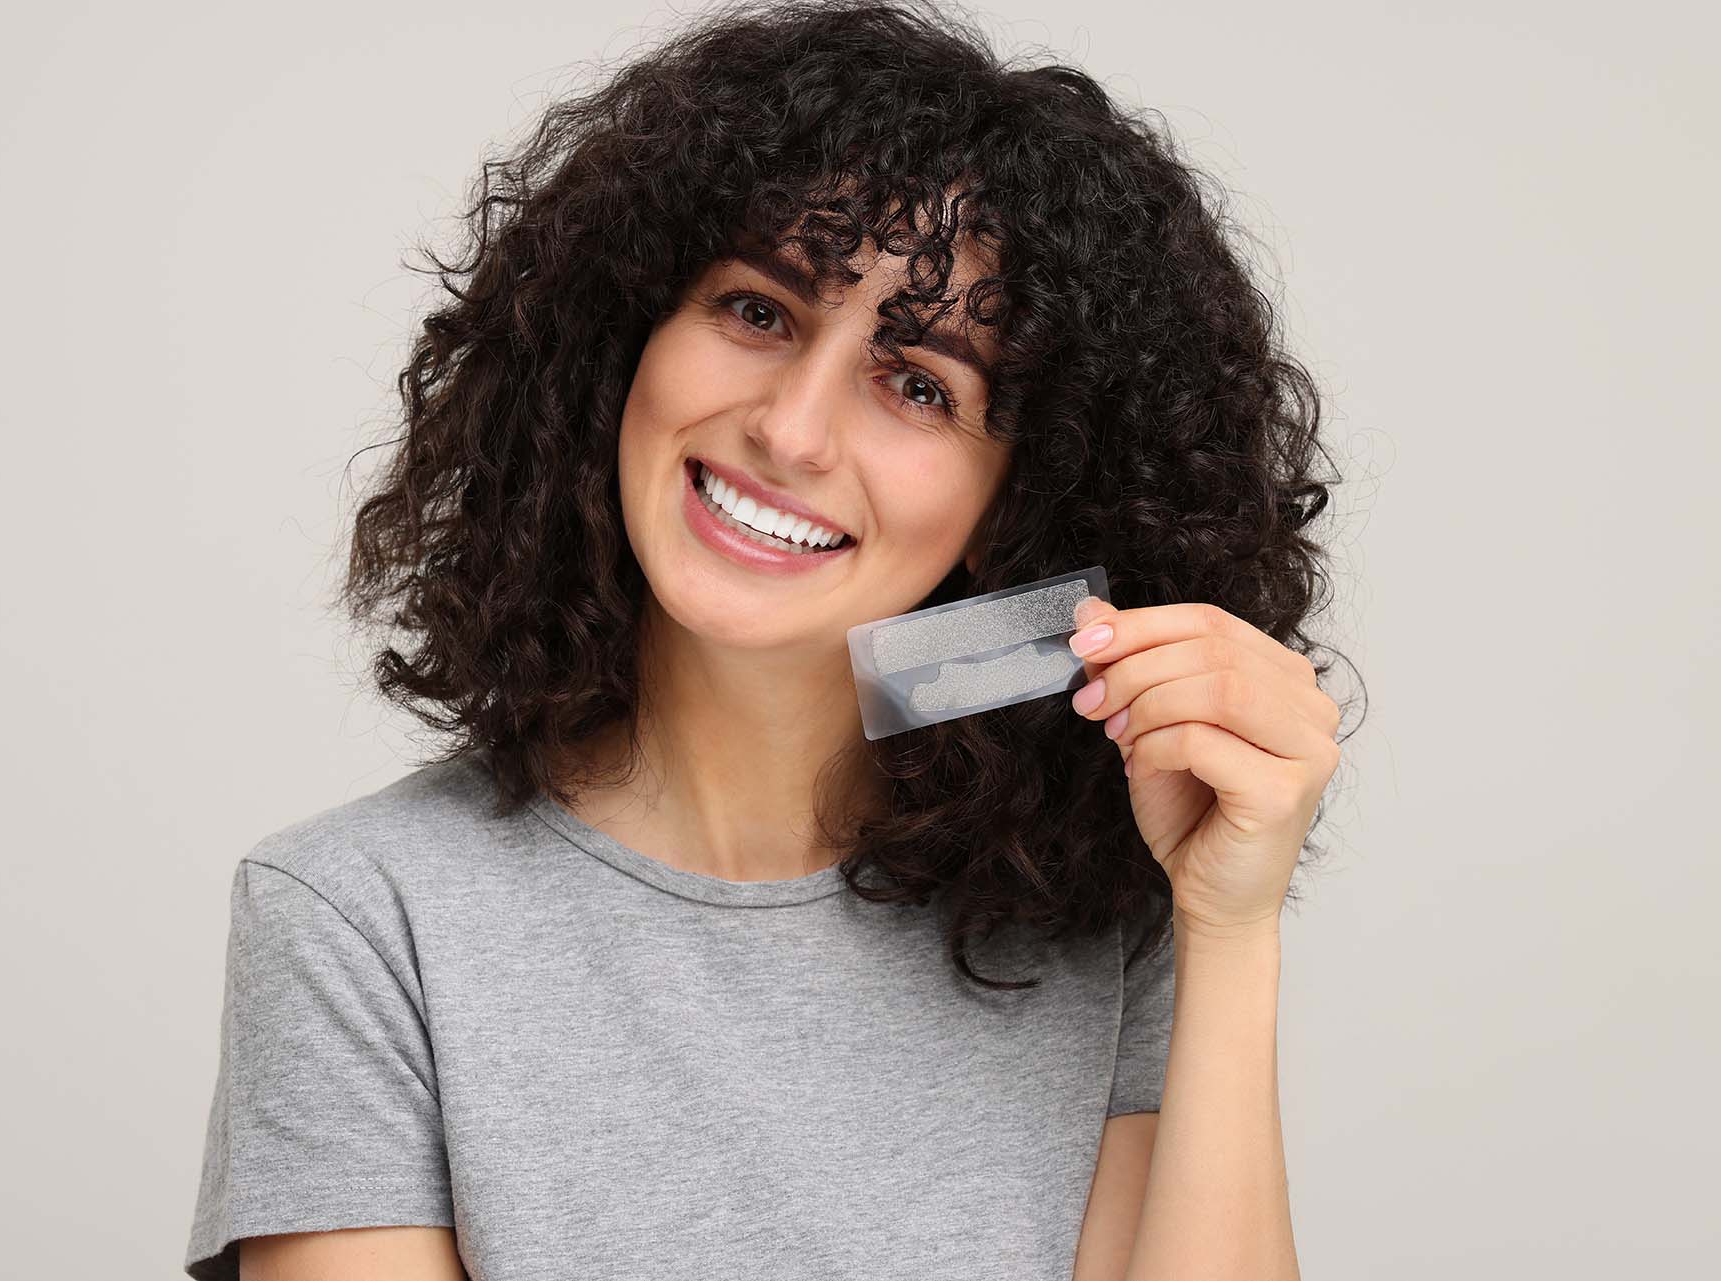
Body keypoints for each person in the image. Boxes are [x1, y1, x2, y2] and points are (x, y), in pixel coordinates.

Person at [184, 2, 1352, 1277]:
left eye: (921, 385)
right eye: (757, 311)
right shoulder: (363, 918)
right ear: (620, 335)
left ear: (1024, 499)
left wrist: (1231, 934)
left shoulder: (1107, 928)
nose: (792, 431)